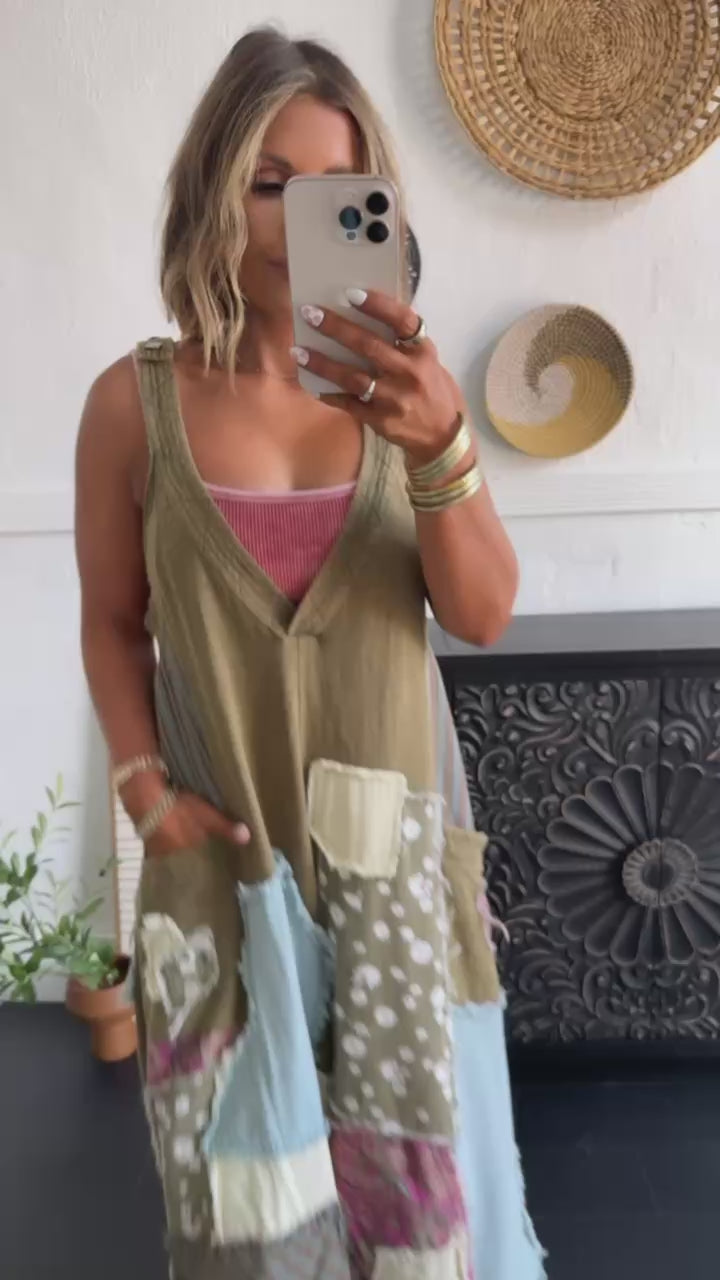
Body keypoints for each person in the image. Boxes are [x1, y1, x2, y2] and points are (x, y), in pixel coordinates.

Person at [75, 26, 544, 1280]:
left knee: (417, 1224)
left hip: (393, 883)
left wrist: (442, 445)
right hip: (226, 875)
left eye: (337, 189)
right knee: (245, 1221)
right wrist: (143, 787)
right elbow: (111, 620)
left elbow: (485, 612)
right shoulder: (135, 405)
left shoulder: (408, 396)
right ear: (213, 187)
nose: (298, 220)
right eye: (270, 181)